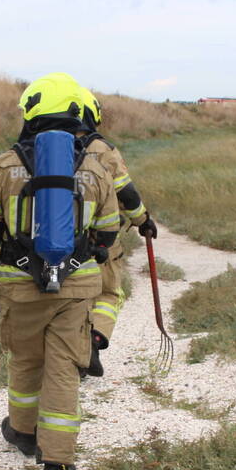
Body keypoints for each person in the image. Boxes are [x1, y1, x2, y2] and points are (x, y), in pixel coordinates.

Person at [0, 72, 120, 470]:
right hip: (75, 289)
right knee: (63, 370)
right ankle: (57, 463)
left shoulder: (3, 165)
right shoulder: (94, 168)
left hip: (19, 284)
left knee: (24, 358)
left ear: (32, 113)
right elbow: (108, 233)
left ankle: (22, 432)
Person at [77, 87, 157, 377]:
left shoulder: (41, 149)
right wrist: (143, 220)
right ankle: (94, 341)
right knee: (108, 294)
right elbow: (127, 193)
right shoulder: (102, 151)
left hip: (57, 241)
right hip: (101, 241)